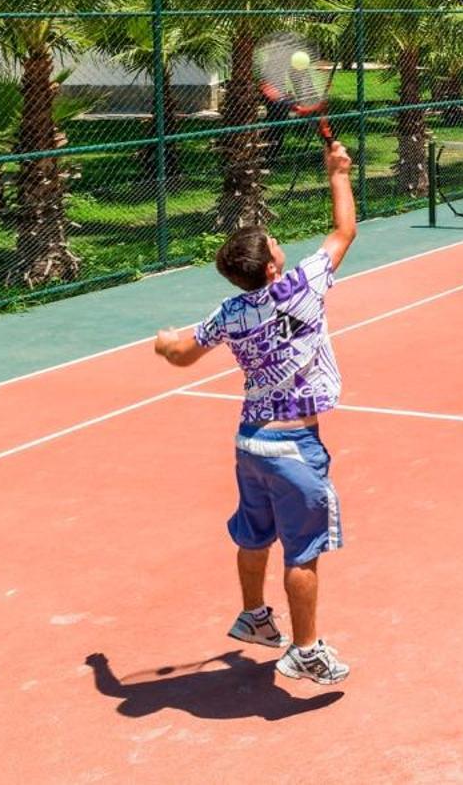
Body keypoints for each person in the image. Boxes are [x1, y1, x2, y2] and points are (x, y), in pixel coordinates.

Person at [153, 138, 359, 687]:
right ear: (271, 267)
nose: (276, 242)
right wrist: (338, 172)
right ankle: (305, 649)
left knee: (253, 533)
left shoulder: (229, 312)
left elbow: (183, 354)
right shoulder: (301, 286)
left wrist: (163, 342)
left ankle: (252, 615)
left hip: (251, 442)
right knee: (304, 553)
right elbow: (343, 233)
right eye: (272, 242)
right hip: (295, 446)